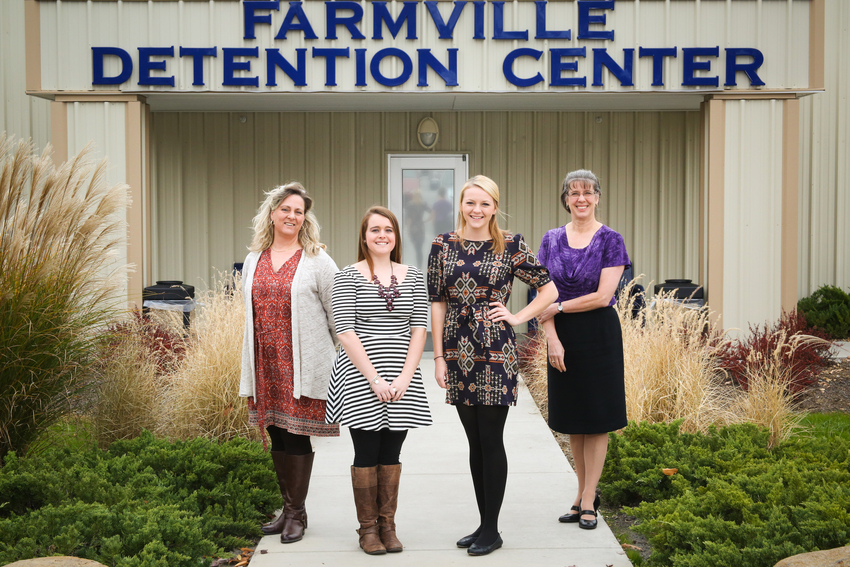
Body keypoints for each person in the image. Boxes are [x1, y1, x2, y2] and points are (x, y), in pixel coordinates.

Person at [427, 175, 558, 556]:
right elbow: (437, 301)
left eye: (484, 204)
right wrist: (438, 355)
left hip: (495, 351)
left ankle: (492, 530)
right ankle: (483, 524)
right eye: (470, 203)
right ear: (461, 205)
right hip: (456, 350)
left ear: (495, 207)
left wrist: (518, 317)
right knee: (473, 441)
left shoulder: (511, 245)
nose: (477, 210)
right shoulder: (442, 245)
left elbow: (548, 288)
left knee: (490, 438)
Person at [326, 206, 433, 555]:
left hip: (402, 376)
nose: (382, 235)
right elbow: (345, 331)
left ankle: (388, 526)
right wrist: (373, 377)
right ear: (364, 237)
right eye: (375, 230)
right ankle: (368, 530)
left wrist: (405, 376)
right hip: (360, 376)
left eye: (388, 229)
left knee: (392, 451)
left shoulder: (414, 275)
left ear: (396, 236)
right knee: (367, 451)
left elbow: (419, 329)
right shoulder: (347, 275)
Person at [239, 182, 340, 544]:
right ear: (272, 213)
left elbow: (337, 315)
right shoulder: (255, 258)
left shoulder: (317, 259)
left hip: (301, 364)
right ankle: (289, 508)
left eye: (299, 211)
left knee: (296, 435)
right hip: (265, 361)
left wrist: (337, 360)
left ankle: (296, 514)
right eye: (286, 209)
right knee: (275, 433)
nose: (292, 216)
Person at [536, 169, 630, 530]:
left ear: (597, 197)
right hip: (561, 335)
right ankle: (580, 494)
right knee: (574, 420)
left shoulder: (611, 240)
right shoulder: (550, 239)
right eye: (574, 193)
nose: (581, 199)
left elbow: (604, 296)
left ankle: (591, 497)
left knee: (597, 420)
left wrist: (558, 308)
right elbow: (540, 295)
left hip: (598, 335)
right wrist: (552, 336)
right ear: (565, 199)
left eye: (588, 192)